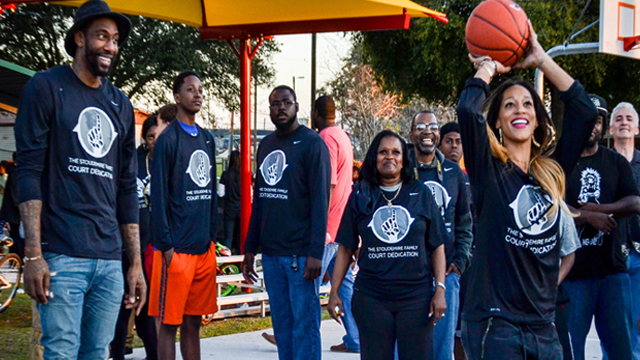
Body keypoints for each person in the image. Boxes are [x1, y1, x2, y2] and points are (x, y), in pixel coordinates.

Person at [14, 1, 146, 358]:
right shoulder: (46, 87)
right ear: (79, 37)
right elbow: (27, 172)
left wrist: (134, 263)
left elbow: (126, 187)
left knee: (99, 352)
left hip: (108, 258)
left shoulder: (120, 104)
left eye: (116, 40)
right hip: (61, 254)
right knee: (61, 351)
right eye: (102, 36)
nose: (111, 47)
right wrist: (34, 255)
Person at [457, 23, 595, 360]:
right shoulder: (488, 170)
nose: (519, 109)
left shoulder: (551, 172)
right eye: (508, 106)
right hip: (495, 323)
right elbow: (467, 110)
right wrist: (489, 65)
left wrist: (541, 59)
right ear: (499, 123)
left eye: (527, 105)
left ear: (537, 121)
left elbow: (584, 111)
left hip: (543, 325)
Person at [327, 130, 446, 360]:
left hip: (416, 297)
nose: (389, 157)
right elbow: (345, 247)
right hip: (372, 297)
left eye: (395, 152)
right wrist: (334, 292)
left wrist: (440, 289)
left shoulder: (420, 193)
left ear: (404, 159)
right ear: (374, 157)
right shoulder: (361, 194)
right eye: (383, 152)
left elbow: (437, 245)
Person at [243, 85, 331, 360]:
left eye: (286, 102)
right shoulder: (266, 145)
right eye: (274, 104)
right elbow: (260, 200)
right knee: (282, 327)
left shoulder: (312, 143)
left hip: (301, 256)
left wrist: (315, 252)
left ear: (296, 106)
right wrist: (249, 248)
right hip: (271, 256)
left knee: (304, 327)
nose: (280, 107)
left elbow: (320, 201)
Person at [563, 95, 640, 360]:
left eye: (597, 121)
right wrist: (586, 217)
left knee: (623, 351)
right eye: (587, 120)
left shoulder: (616, 162)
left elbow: (634, 202)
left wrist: (597, 210)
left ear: (603, 125)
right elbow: (551, 209)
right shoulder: (560, 162)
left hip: (613, 273)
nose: (591, 127)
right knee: (571, 352)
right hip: (573, 274)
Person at [149, 72, 218, 360]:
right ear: (178, 97)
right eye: (190, 90)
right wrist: (166, 247)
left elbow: (212, 192)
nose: (198, 94)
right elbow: (159, 196)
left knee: (193, 324)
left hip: (203, 250)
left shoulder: (208, 139)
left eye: (201, 89)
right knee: (168, 325)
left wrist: (211, 237)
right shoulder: (168, 140)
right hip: (176, 252)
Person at [408, 111, 472, 360]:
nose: (427, 131)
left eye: (432, 126)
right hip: (408, 275)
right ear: (411, 132)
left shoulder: (454, 173)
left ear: (437, 134)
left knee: (442, 351)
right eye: (420, 125)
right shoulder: (402, 169)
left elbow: (465, 223)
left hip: (446, 276)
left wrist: (459, 262)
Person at [110, 115, 159, 360]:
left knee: (145, 310)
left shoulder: (167, 164)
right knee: (122, 307)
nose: (154, 142)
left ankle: (154, 354)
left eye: (158, 136)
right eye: (150, 137)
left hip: (151, 246)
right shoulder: (133, 162)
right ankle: (117, 354)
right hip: (127, 245)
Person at [609, 101, 640, 360]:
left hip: (639, 254)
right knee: (616, 328)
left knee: (637, 326)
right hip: (610, 256)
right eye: (618, 118)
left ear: (637, 128)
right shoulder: (603, 164)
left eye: (629, 118)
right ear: (611, 128)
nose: (624, 122)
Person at [1, 152, 22, 259]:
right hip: (14, 211)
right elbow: (15, 193)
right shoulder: (15, 173)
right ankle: (17, 258)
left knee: (15, 234)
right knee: (17, 235)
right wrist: (21, 208)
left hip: (11, 210)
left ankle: (14, 259)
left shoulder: (13, 171)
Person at [219, 150, 241, 253]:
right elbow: (250, 194)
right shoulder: (245, 174)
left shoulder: (225, 174)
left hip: (229, 209)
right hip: (242, 209)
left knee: (228, 238)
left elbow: (221, 193)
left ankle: (227, 262)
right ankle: (241, 261)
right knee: (241, 238)